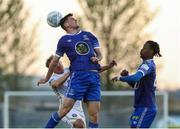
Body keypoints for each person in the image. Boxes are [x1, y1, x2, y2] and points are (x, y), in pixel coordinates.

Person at [37, 13, 104, 128]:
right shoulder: (64, 40)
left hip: (94, 77)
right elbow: (54, 62)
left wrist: (97, 58)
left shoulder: (89, 35)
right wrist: (46, 78)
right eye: (72, 19)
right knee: (64, 110)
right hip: (78, 77)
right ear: (67, 24)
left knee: (94, 115)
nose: (76, 20)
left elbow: (100, 55)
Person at [38, 55, 117, 128]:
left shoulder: (69, 70)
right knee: (79, 124)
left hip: (79, 108)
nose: (58, 65)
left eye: (59, 62)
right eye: (55, 65)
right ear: (50, 69)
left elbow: (93, 70)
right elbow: (57, 84)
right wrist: (70, 72)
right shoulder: (52, 78)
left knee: (80, 127)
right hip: (66, 108)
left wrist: (109, 66)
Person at [112, 40, 162, 128]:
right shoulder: (145, 65)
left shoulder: (148, 65)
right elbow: (136, 85)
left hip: (146, 107)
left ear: (151, 52)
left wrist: (120, 78)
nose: (142, 50)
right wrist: (127, 77)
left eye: (145, 48)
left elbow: (135, 77)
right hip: (140, 107)